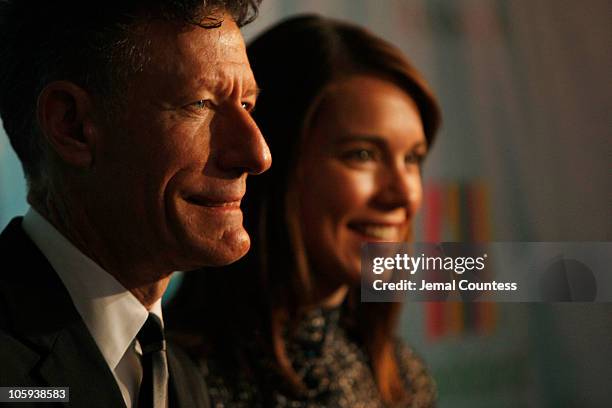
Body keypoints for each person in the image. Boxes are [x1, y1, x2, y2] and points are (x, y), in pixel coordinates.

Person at [0, 1, 270, 407]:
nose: (257, 153)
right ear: (71, 126)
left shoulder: (182, 378)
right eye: (199, 104)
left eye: (247, 105)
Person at [168, 14, 441, 408]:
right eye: (363, 155)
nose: (404, 194)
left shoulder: (401, 374)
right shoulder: (173, 381)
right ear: (265, 158)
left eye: (413, 158)